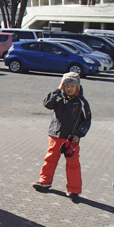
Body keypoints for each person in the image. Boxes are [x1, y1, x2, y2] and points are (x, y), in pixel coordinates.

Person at [32, 72, 92, 202]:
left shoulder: (81, 103)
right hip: (56, 135)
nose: (69, 89)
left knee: (73, 164)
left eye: (72, 86)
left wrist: (78, 135)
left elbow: (86, 121)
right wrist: (58, 89)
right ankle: (44, 181)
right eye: (66, 85)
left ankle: (74, 190)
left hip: (71, 139)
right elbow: (47, 104)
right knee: (50, 159)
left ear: (78, 86)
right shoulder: (58, 98)